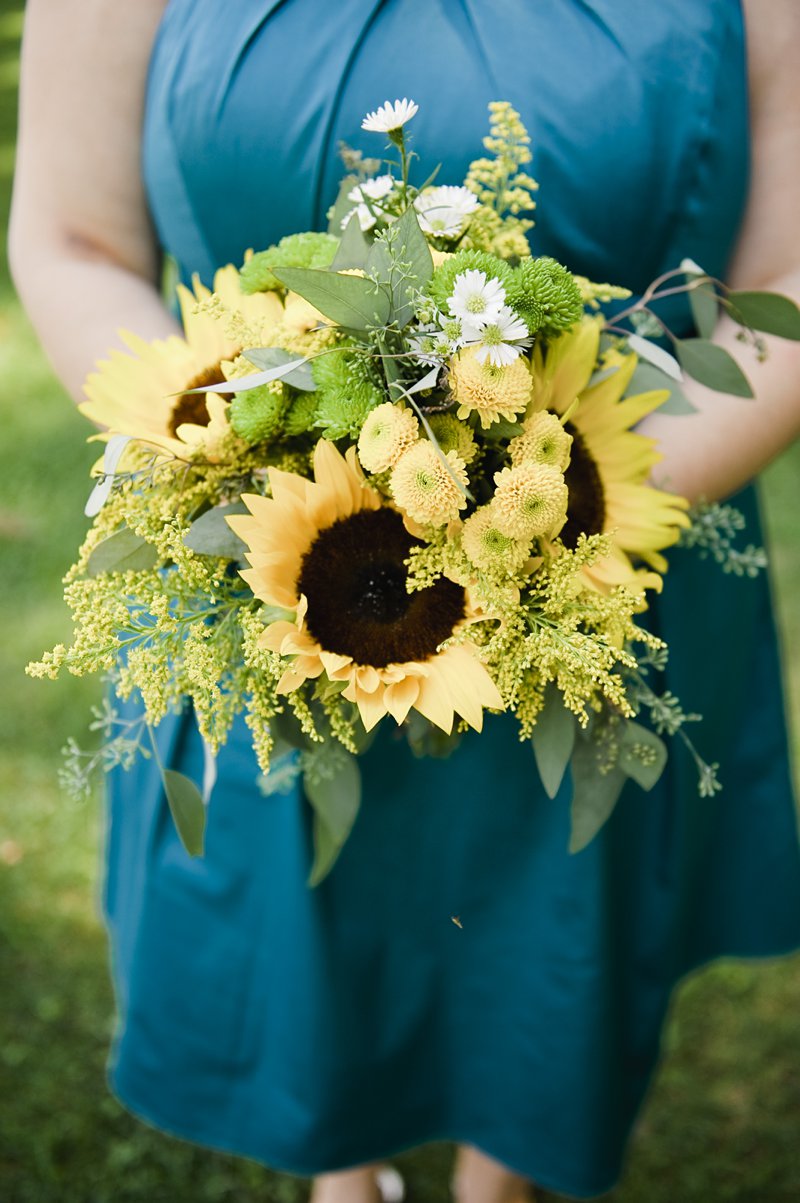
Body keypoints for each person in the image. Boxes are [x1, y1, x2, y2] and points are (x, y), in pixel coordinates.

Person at [9, 2, 800, 1200]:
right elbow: (74, 239)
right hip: (265, 559)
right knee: (307, 910)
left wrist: (539, 517)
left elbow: (780, 288)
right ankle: (345, 1171)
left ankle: (504, 1170)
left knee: (545, 941)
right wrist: (225, 463)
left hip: (614, 540)